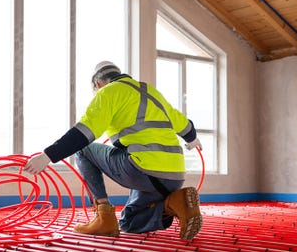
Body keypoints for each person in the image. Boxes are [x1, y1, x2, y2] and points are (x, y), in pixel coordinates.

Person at [23, 61, 203, 240]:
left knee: (84, 150)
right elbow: (184, 124)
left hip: (143, 169)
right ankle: (174, 202)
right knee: (129, 222)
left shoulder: (108, 92)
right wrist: (193, 139)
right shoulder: (150, 91)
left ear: (97, 84)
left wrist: (47, 156)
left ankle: (104, 217)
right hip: (175, 175)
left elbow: (83, 134)